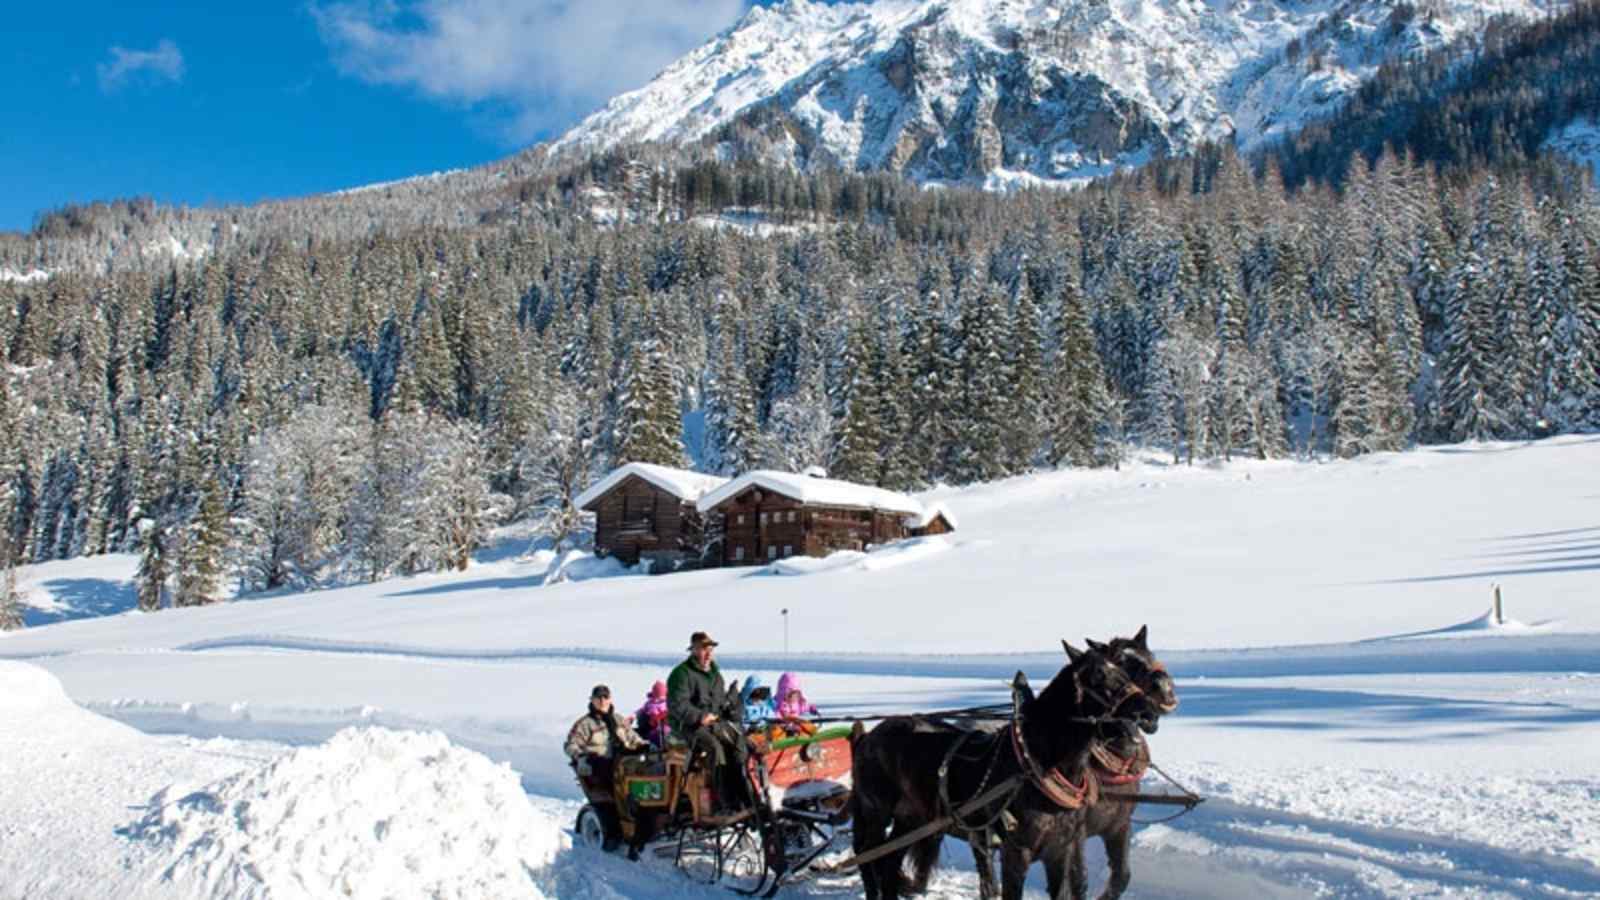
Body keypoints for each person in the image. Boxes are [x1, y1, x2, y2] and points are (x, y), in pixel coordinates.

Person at [667, 631, 752, 815]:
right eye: (703, 649)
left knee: (740, 742)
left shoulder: (715, 675)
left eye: (710, 649)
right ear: (694, 651)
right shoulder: (681, 674)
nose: (707, 654)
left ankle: (746, 794)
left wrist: (732, 707)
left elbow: (720, 704)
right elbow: (677, 705)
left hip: (714, 722)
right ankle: (724, 802)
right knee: (715, 748)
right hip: (688, 726)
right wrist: (699, 717)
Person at [565, 684, 647, 850]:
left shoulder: (618, 720)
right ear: (592, 700)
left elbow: (633, 738)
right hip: (599, 768)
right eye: (598, 698)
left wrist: (645, 746)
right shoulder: (585, 724)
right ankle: (628, 820)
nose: (602, 701)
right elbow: (570, 745)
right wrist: (581, 757)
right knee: (619, 776)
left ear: (610, 699)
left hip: (624, 762)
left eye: (605, 697)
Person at [634, 680, 670, 747]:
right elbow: (641, 710)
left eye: (660, 699)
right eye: (655, 697)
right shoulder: (649, 703)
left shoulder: (667, 705)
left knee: (664, 732)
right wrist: (634, 715)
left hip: (662, 729)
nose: (656, 700)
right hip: (651, 728)